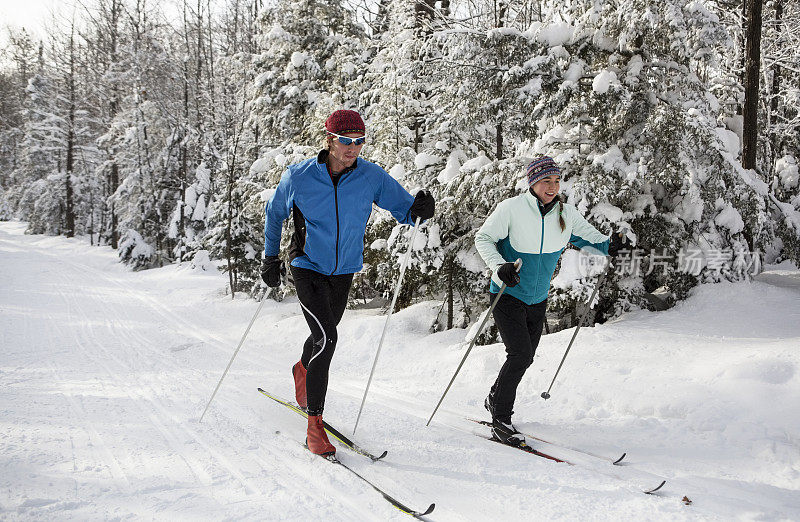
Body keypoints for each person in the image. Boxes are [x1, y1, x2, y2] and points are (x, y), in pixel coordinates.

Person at [262, 109, 435, 456]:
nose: (352, 148)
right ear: (329, 139)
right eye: (345, 141)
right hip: (307, 264)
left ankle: (302, 369)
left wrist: (420, 209)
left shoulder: (370, 176)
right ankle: (315, 426)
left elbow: (405, 210)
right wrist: (269, 257)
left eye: (358, 142)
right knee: (328, 336)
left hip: (344, 270)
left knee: (320, 335)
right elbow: (275, 213)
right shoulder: (299, 177)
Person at [474, 156, 624, 446]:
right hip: (507, 293)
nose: (553, 186)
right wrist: (499, 266)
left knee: (526, 356)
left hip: (538, 297)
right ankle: (501, 418)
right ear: (533, 183)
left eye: (556, 181)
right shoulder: (512, 209)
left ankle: (495, 397)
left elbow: (591, 238)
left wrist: (611, 243)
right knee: (519, 354)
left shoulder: (565, 214)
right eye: (546, 181)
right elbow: (484, 239)